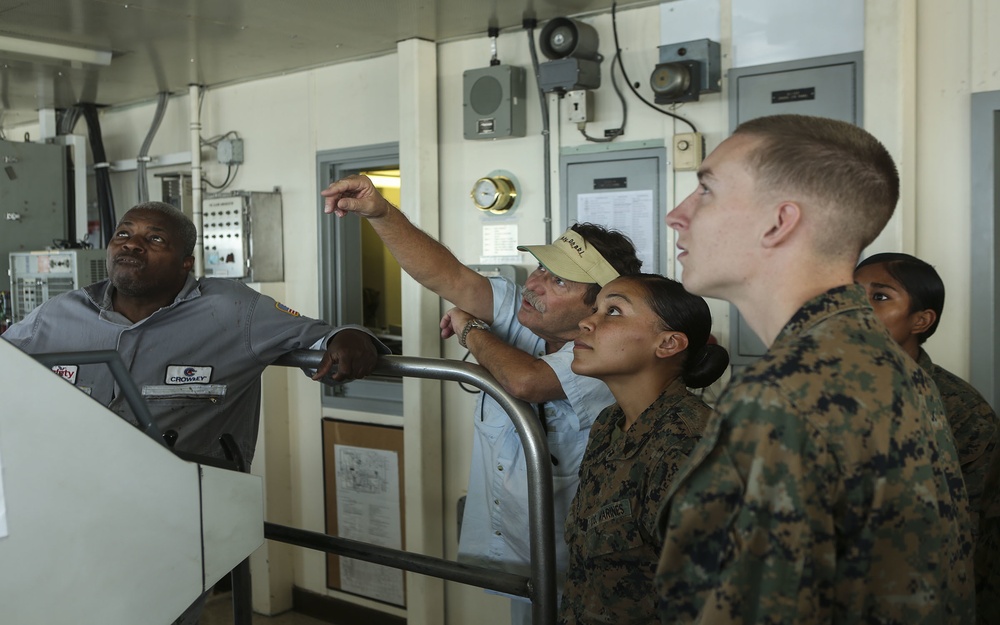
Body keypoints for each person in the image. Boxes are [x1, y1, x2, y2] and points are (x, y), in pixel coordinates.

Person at [2, 201, 387, 625]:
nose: (132, 245)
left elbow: (322, 335)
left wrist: (351, 337)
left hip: (177, 511)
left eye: (155, 239)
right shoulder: (58, 315)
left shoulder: (233, 311)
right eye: (123, 234)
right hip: (73, 502)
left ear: (186, 262)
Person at [655, 114, 973, 623]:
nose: (677, 214)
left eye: (706, 190)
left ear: (779, 223)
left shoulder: (783, 395)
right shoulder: (886, 363)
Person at [321, 175, 642, 624]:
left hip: (586, 555)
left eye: (559, 281)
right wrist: (380, 212)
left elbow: (526, 382)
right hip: (521, 541)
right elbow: (445, 274)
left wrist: (472, 330)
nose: (534, 284)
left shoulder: (607, 352)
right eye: (540, 268)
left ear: (596, 306)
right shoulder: (526, 319)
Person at [559, 273, 728, 625]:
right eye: (595, 309)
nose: (586, 322)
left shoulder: (688, 447)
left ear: (668, 344)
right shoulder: (610, 424)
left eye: (614, 311)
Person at [855, 252, 1000, 624]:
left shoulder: (961, 410)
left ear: (920, 320)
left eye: (880, 296)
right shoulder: (814, 391)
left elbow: (974, 535)